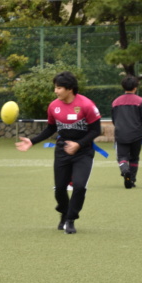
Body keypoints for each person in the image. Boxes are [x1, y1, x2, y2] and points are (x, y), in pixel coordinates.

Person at [15, 71, 101, 234]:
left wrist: (79, 144)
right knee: (60, 188)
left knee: (80, 186)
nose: (55, 91)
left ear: (70, 89)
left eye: (59, 88)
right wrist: (32, 141)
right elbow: (51, 128)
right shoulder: (53, 106)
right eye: (55, 87)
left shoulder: (87, 105)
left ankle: (70, 219)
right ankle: (63, 212)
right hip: (62, 151)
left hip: (83, 152)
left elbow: (96, 130)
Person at [111, 76, 142, 188]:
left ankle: (124, 169)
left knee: (122, 157)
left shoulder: (116, 102)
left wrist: (119, 127)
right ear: (135, 88)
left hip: (120, 133)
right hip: (136, 134)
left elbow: (114, 119)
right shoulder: (141, 101)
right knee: (134, 157)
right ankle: (131, 179)